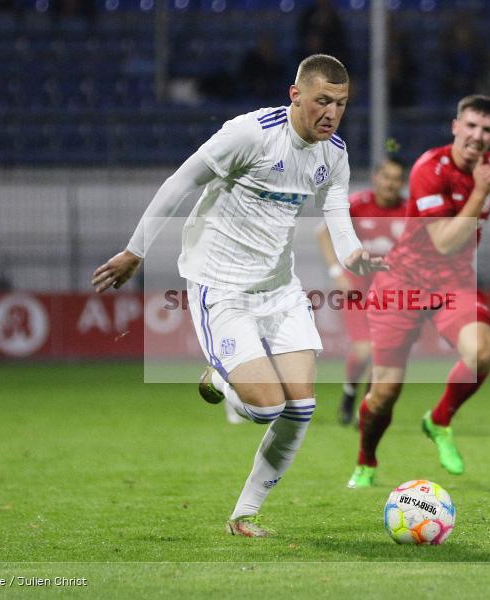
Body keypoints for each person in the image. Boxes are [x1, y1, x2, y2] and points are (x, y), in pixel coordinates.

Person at [91, 54, 383, 536]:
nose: (332, 113)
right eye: (322, 101)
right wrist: (135, 251)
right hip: (222, 287)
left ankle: (244, 514)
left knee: (301, 407)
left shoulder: (333, 153)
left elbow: (337, 213)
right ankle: (218, 380)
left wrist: (354, 256)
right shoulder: (250, 134)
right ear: (296, 95)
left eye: (341, 103)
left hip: (279, 289)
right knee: (265, 407)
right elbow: (180, 182)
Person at [347, 95, 490, 488]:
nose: (478, 135)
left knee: (481, 353)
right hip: (402, 282)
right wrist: (478, 192)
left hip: (453, 282)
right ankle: (366, 460)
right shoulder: (428, 168)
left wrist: (480, 190)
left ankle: (439, 421)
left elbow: (463, 238)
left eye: (487, 129)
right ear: (455, 126)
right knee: (384, 394)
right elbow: (443, 241)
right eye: (471, 125)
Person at [315, 156, 407, 426]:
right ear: (376, 177)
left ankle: (366, 407)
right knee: (365, 351)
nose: (390, 184)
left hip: (391, 294)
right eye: (386, 177)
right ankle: (349, 391)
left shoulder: (409, 211)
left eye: (396, 179)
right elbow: (323, 233)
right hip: (357, 290)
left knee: (382, 354)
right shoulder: (357, 204)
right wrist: (336, 272)